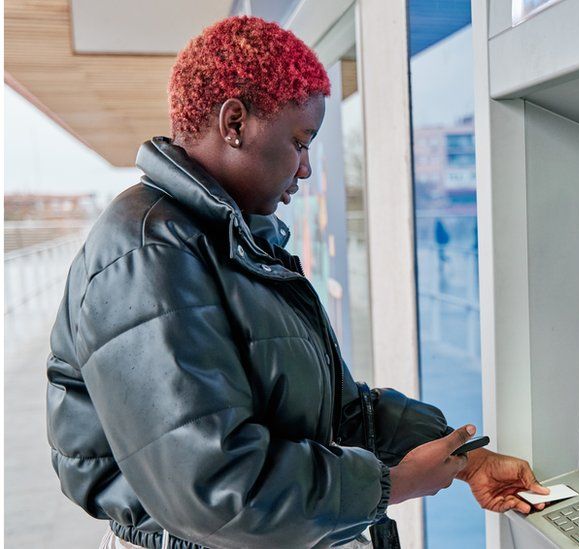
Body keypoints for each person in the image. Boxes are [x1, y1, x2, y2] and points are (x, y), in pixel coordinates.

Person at [46, 16, 547, 549]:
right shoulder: (146, 254)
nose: (306, 169)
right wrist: (392, 486)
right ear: (234, 122)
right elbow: (217, 490)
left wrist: (467, 459)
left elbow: (339, 409)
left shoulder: (234, 242)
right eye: (300, 142)